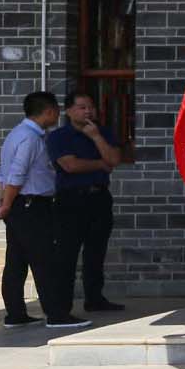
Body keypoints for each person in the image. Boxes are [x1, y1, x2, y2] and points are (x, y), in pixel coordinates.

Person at [0, 90, 73, 330]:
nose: (58, 115)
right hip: (31, 205)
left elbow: (2, 174)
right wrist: (6, 205)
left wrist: (4, 203)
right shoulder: (30, 138)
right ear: (48, 111)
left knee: (16, 261)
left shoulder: (16, 134)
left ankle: (15, 314)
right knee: (45, 260)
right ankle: (57, 315)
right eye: (57, 110)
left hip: (19, 205)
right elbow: (16, 174)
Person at [45, 89, 123, 314]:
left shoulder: (103, 133)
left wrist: (96, 137)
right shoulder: (59, 136)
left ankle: (95, 299)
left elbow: (114, 159)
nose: (88, 111)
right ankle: (61, 308)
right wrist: (99, 164)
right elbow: (70, 165)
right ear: (69, 111)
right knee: (67, 254)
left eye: (91, 107)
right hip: (71, 200)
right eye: (82, 107)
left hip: (99, 197)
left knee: (96, 252)